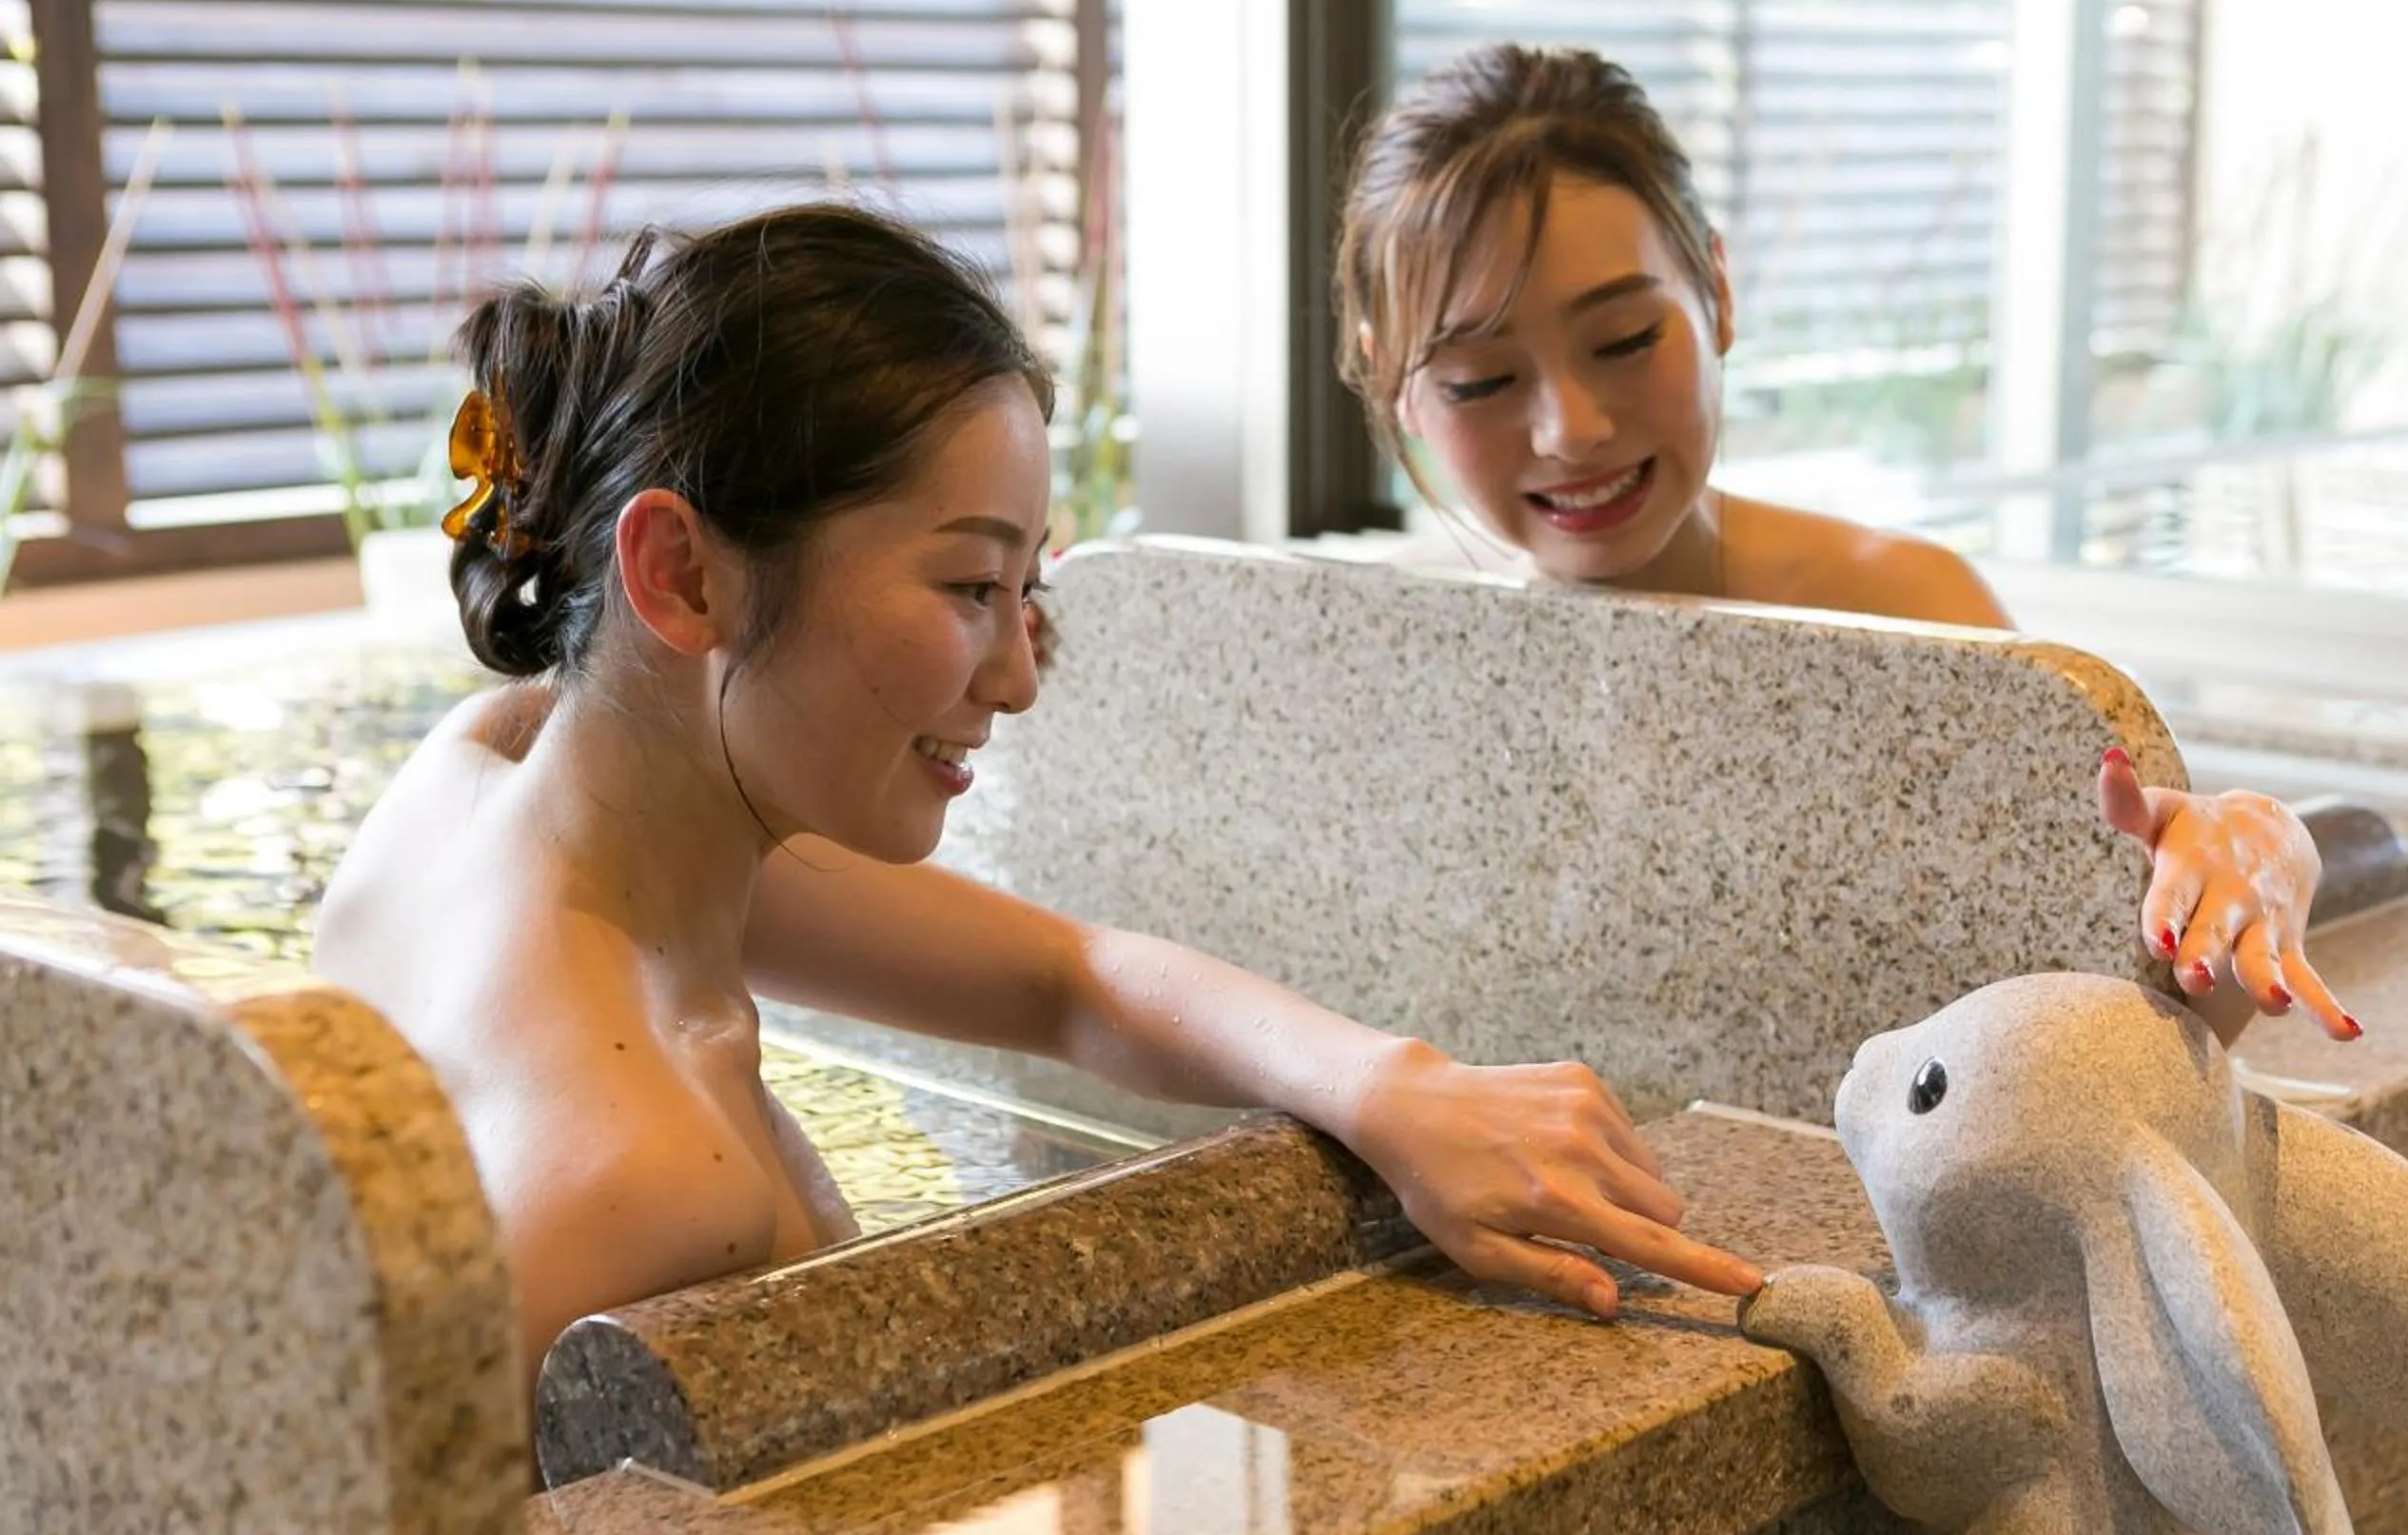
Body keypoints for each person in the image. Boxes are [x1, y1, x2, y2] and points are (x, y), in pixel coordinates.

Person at [312, 203, 1764, 1401]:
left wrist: (1393, 1085)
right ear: (682, 575)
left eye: (1027, 590)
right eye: (965, 587)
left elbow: (1072, 981)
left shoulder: (498, 777)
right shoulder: (640, 1185)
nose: (1014, 676)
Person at [1334, 43, 2354, 1042]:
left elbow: (2151, 1015)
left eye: (1626, 340)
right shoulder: (1391, 653)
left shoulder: (1907, 615)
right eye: (1482, 380)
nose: (1573, 429)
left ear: (1718, 296)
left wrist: (2261, 851)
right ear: (1395, 386)